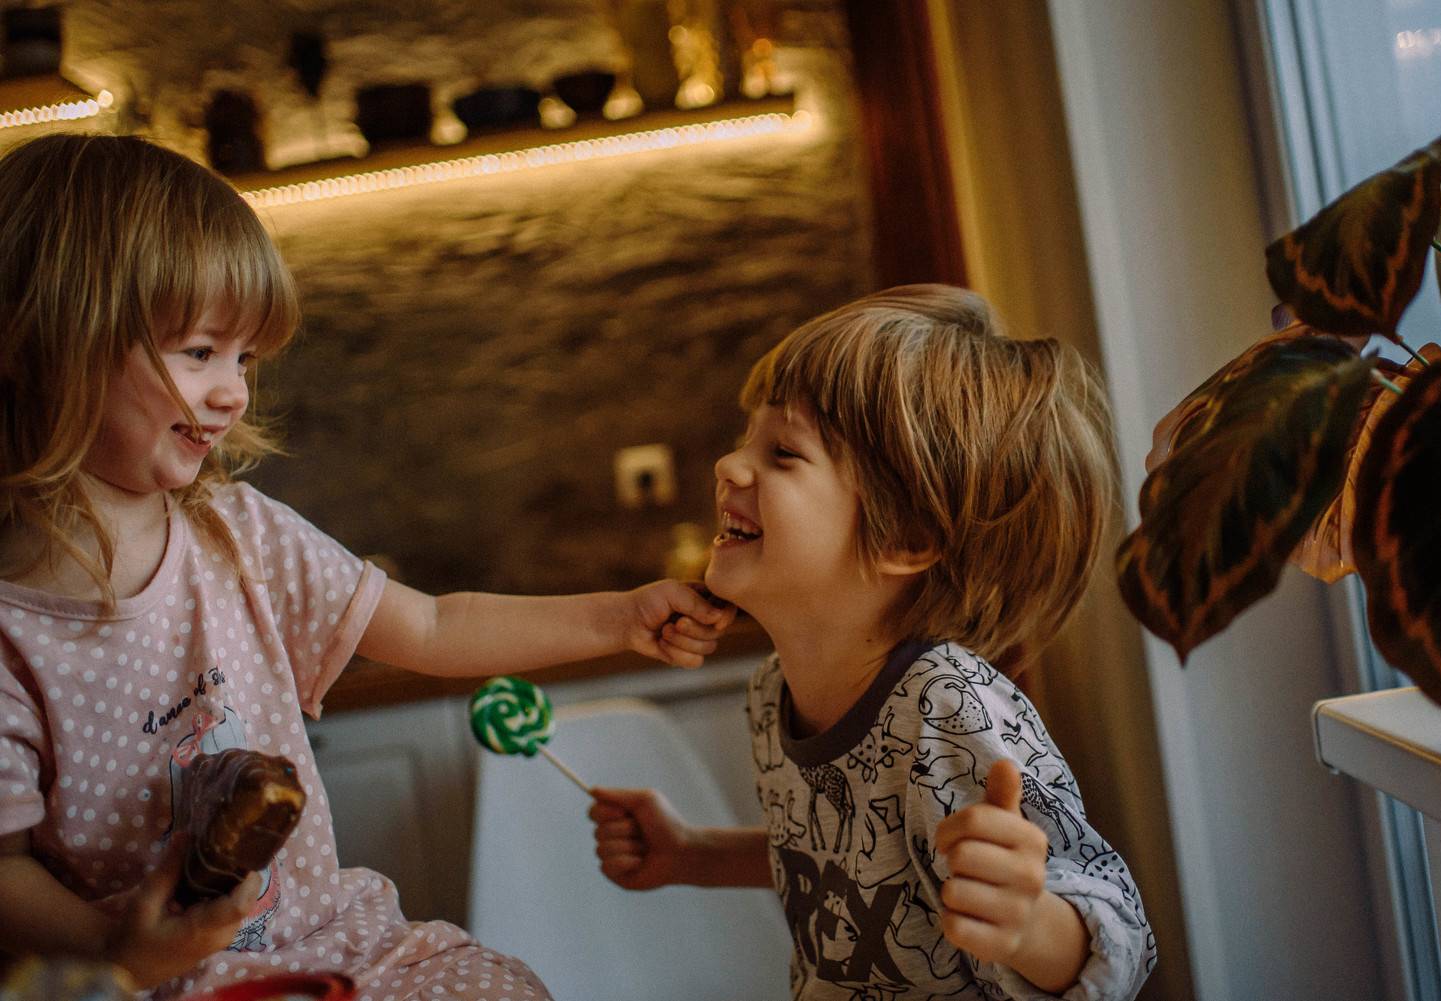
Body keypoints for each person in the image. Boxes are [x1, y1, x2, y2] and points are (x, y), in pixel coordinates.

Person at [0, 133, 735, 1001]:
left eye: (245, 358)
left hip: (335, 942)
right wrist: (119, 948)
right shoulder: (12, 633)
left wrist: (618, 616)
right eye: (199, 351)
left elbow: (432, 624)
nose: (234, 392)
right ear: (56, 342)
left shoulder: (239, 533)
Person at [589, 286, 1156, 999]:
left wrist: (1030, 924)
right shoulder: (774, 690)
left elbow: (1122, 937)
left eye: (783, 452)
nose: (729, 465)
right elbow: (852, 863)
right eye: (747, 439)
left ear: (904, 538)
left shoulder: (948, 706)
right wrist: (693, 853)